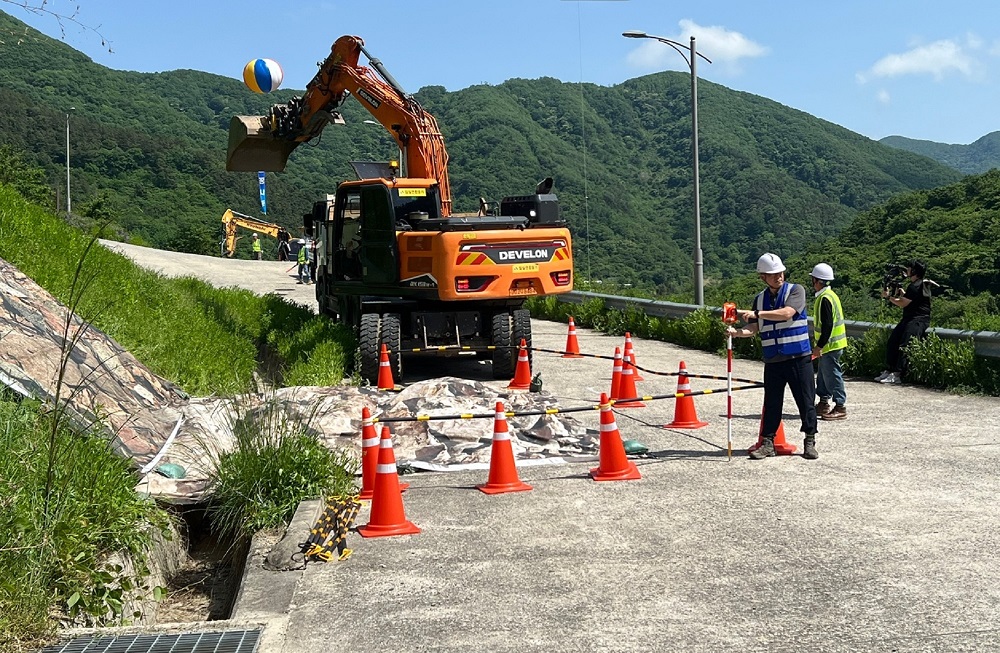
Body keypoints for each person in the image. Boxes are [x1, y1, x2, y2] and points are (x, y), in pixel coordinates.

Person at [727, 253, 819, 460]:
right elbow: (754, 327)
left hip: (798, 357)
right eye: (772, 274)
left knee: (806, 401)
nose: (778, 276)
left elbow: (786, 313)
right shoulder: (759, 299)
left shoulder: (796, 290)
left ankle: (810, 440)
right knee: (771, 402)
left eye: (780, 272)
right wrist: (737, 333)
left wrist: (757, 314)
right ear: (763, 277)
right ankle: (767, 442)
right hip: (773, 359)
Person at [876, 259, 932, 385]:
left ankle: (897, 374)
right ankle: (890, 370)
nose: (907, 270)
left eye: (909, 268)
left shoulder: (915, 286)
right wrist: (902, 293)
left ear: (914, 271)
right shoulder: (919, 284)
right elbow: (911, 299)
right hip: (910, 318)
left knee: (904, 345)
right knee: (893, 341)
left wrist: (888, 297)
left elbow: (902, 303)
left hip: (918, 319)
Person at [810, 263, 848, 420]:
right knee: (824, 375)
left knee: (832, 374)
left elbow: (827, 325)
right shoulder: (830, 295)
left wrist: (819, 346)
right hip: (830, 344)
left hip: (830, 345)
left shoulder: (825, 299)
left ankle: (840, 406)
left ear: (817, 281)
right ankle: (823, 403)